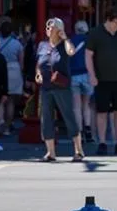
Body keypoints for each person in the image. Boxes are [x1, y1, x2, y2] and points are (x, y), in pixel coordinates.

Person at [85, 7, 117, 156]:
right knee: (102, 111)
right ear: (108, 19)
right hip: (102, 79)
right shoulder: (95, 33)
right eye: (115, 22)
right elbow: (88, 55)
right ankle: (102, 142)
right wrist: (92, 75)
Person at [35, 17, 83, 162]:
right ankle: (50, 153)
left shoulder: (64, 44)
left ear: (59, 30)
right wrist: (38, 74)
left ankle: (78, 150)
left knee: (69, 117)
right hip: (46, 87)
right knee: (46, 119)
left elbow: (71, 52)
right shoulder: (42, 45)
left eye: (52, 27)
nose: (49, 29)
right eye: (47, 27)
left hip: (61, 87)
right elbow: (39, 63)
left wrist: (65, 38)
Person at [0, 20, 24, 135]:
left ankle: (0, 120)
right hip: (14, 70)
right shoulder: (17, 44)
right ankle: (7, 127)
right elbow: (21, 62)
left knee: (0, 100)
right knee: (11, 101)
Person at [69, 20, 94, 143]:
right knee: (87, 104)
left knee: (76, 106)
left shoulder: (70, 41)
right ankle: (88, 129)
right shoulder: (90, 41)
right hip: (87, 74)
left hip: (74, 75)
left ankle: (79, 131)